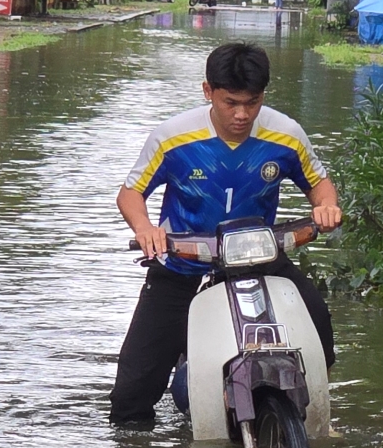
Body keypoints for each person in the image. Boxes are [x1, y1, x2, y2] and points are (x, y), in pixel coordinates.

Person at [110, 42, 343, 427]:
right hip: (182, 262)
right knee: (131, 396)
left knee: (317, 316)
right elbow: (130, 193)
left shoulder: (286, 135)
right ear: (208, 92)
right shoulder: (173, 138)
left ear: (263, 96)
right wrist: (146, 228)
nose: (241, 114)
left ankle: (314, 404)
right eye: (230, 102)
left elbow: (320, 183)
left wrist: (325, 206)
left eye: (252, 103)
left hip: (260, 258)